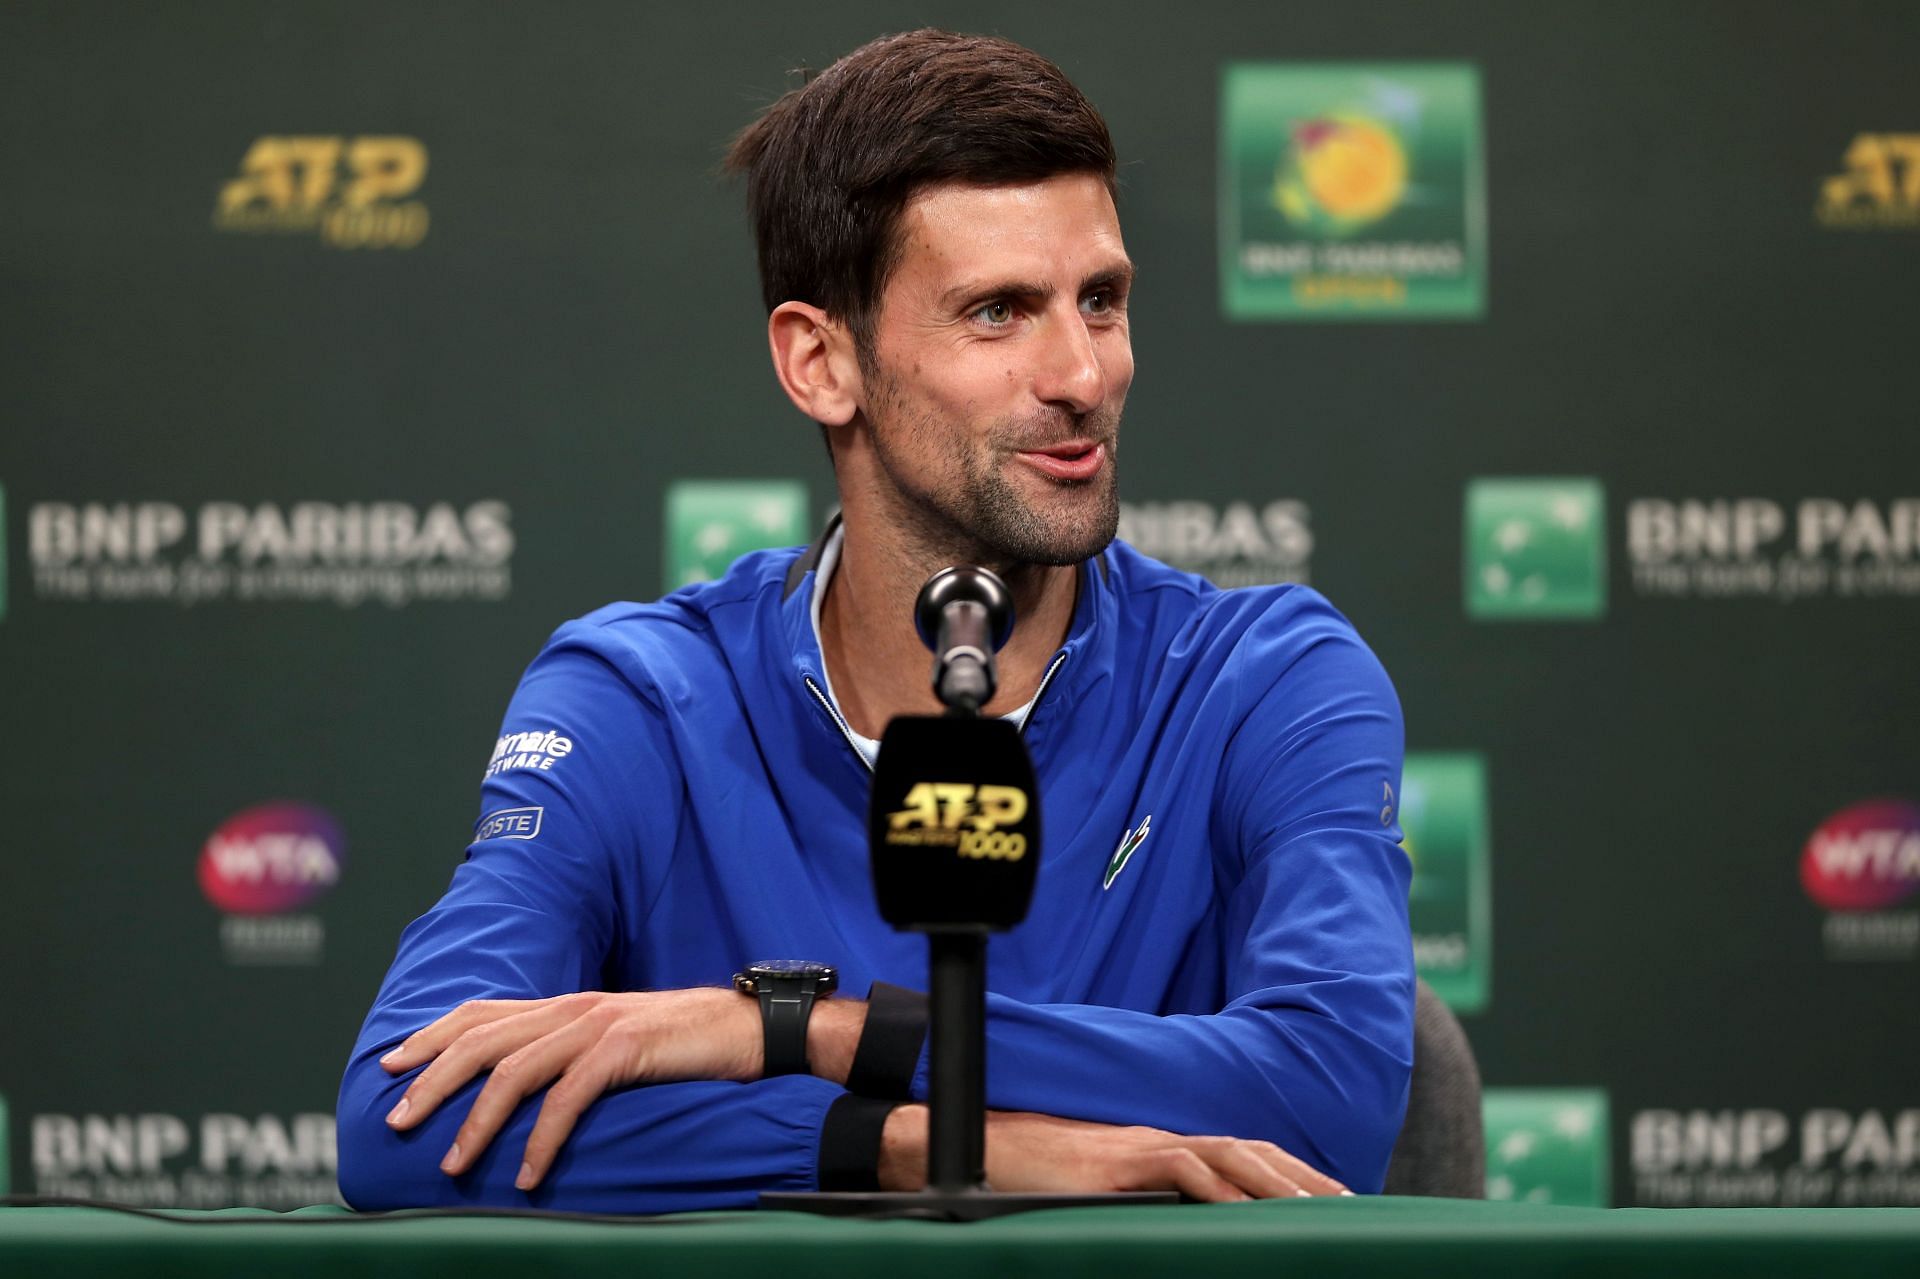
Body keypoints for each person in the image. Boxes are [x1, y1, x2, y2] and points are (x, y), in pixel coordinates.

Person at [336, 29, 1413, 1213]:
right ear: (820, 363)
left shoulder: (1270, 678)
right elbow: (406, 1121)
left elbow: (1331, 1101)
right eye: (999, 312)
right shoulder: (638, 697)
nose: (1084, 373)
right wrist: (917, 1147)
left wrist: (789, 1032)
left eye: (1099, 300)